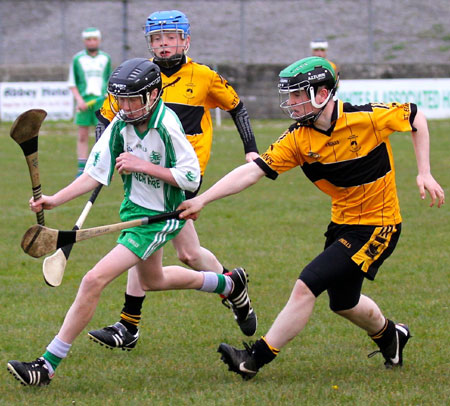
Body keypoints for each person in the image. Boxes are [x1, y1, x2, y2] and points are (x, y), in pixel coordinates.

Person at [178, 56, 445, 380]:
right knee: (344, 302)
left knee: (307, 284)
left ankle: (252, 360)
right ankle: (392, 337)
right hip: (343, 224)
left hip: (379, 225)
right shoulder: (298, 139)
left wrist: (424, 173)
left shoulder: (366, 118)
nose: (290, 103)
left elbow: (415, 116)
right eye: (288, 95)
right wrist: (202, 199)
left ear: (322, 94)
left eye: (296, 95)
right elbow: (252, 172)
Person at [6, 58, 254, 386]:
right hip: (133, 212)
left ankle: (46, 366)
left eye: (132, 99)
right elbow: (95, 172)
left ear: (152, 95)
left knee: (93, 280)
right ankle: (228, 284)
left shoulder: (166, 124)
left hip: (160, 217)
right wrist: (55, 199)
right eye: (120, 100)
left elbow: (191, 178)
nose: (124, 107)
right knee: (155, 280)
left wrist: (143, 166)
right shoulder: (120, 123)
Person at [88, 10, 259, 350]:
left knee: (146, 242)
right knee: (188, 254)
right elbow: (105, 119)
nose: (163, 44)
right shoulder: (137, 77)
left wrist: (251, 150)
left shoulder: (204, 77)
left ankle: (129, 326)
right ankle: (231, 287)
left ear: (185, 40)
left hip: (180, 178)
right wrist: (100, 159)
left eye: (170, 37)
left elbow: (237, 107)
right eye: (156, 39)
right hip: (145, 171)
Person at [68, 27, 112, 177]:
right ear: (84, 41)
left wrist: (108, 93)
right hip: (84, 101)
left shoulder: (105, 58)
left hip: (101, 102)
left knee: (102, 135)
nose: (91, 42)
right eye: (88, 39)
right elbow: (72, 83)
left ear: (99, 40)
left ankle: (101, 166)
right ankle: (82, 169)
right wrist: (79, 100)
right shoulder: (77, 59)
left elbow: (108, 80)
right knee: (82, 136)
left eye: (94, 39)